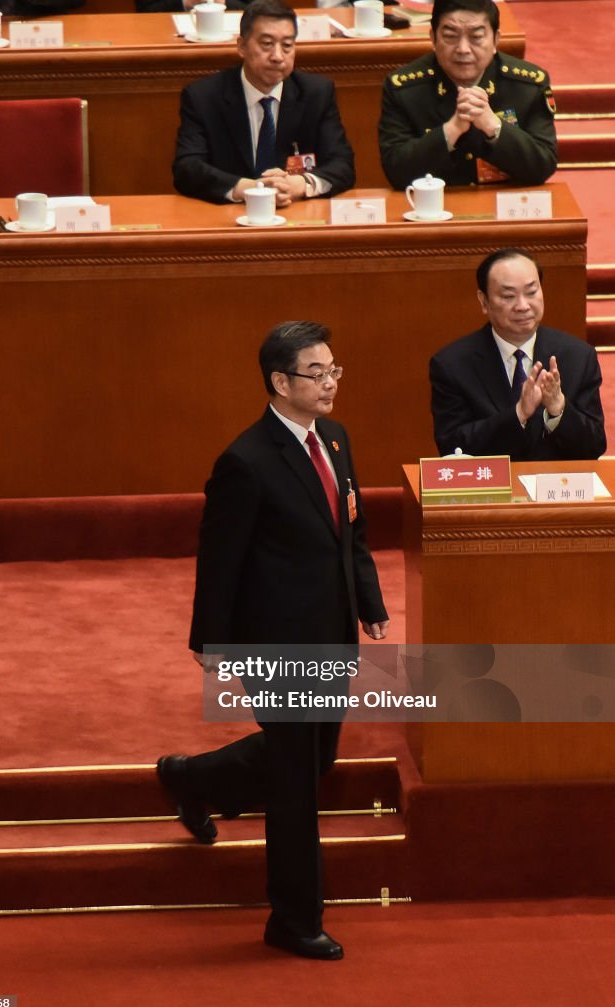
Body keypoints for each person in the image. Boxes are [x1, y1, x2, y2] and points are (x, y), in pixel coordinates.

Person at [158, 320, 388, 960]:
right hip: (276, 643)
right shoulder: (246, 461)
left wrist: (367, 603)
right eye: (317, 373)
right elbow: (220, 557)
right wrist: (211, 639)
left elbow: (353, 530)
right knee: (294, 785)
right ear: (280, 382)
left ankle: (192, 779)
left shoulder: (335, 440)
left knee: (315, 761)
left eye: (334, 370)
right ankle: (293, 918)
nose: (330, 383)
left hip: (333, 636)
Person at [430, 248, 607, 460]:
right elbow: (452, 445)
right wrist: (518, 415)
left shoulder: (578, 356)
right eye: (508, 296)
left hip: (556, 487)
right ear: (484, 301)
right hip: (491, 489)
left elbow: (594, 445)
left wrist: (559, 409)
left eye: (531, 292)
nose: (523, 306)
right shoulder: (452, 365)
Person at [172, 0, 355, 205]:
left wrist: (300, 184)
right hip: (231, 216)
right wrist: (250, 189)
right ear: (242, 46)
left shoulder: (316, 93)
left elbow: (342, 166)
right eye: (267, 44)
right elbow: (187, 168)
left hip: (295, 215)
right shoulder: (203, 97)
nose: (277, 56)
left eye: (287, 46)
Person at [378, 0, 557, 189]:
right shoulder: (404, 89)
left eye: (476, 37)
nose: (463, 49)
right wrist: (451, 130)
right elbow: (396, 173)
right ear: (433, 38)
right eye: (450, 36)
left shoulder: (527, 86)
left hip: (504, 207)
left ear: (496, 40)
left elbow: (543, 166)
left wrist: (493, 125)